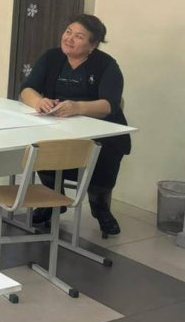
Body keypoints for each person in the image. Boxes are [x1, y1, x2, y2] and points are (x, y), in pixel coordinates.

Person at [19, 14, 131, 235]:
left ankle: (99, 206)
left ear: (93, 45)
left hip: (99, 132)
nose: (69, 39)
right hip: (58, 128)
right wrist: (39, 102)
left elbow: (110, 105)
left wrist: (78, 107)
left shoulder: (106, 65)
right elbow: (27, 89)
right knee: (41, 146)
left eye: (79, 36)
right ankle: (53, 200)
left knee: (106, 151)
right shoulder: (51, 57)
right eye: (68, 32)